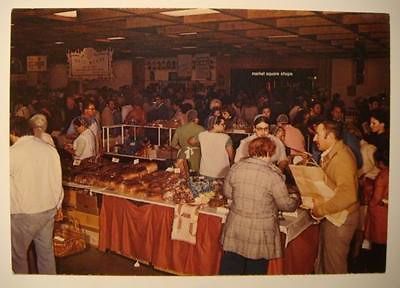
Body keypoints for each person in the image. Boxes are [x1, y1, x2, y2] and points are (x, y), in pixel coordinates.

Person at [220, 137, 299, 275]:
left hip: (236, 225)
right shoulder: (273, 175)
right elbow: (286, 205)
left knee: (230, 271)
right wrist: (296, 198)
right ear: (269, 153)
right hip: (260, 230)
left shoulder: (236, 167)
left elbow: (228, 193)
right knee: (255, 273)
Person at [10, 117, 64, 274]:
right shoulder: (49, 149)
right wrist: (58, 206)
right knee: (46, 254)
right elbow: (57, 180)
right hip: (48, 211)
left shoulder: (12, 153)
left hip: (24, 214)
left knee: (18, 257)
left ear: (13, 132)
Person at [311, 120, 360, 274]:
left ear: (330, 136)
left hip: (341, 219)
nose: (314, 139)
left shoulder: (342, 157)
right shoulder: (332, 154)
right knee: (325, 263)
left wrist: (320, 210)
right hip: (334, 216)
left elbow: (348, 195)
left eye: (318, 135)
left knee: (334, 268)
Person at [365, 145, 389, 273]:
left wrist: (370, 203)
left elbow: (376, 198)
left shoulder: (383, 175)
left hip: (380, 214)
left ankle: (375, 270)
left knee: (378, 245)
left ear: (380, 161)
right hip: (387, 211)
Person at [171, 109, 205, 174]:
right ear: (196, 118)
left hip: (182, 155)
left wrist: (182, 148)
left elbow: (173, 144)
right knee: (195, 176)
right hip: (196, 156)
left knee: (182, 176)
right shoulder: (201, 129)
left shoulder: (179, 129)